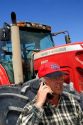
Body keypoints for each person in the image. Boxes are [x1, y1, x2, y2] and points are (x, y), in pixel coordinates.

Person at [16, 62, 83, 125]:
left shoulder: (71, 101)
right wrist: (39, 104)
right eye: (54, 78)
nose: (59, 81)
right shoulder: (30, 108)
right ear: (42, 83)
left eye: (61, 77)